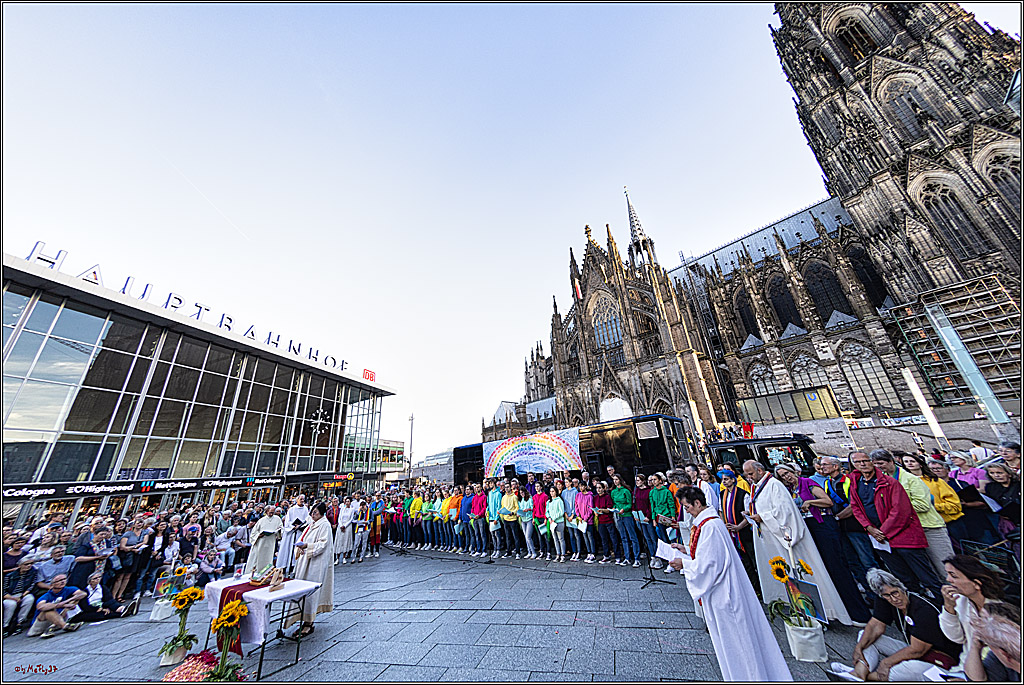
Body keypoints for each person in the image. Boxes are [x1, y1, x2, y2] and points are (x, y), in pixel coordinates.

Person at [668, 486, 792, 682]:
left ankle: (751, 677)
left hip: (724, 592)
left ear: (698, 503)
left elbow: (710, 564)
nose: (687, 511)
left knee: (739, 641)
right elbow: (706, 554)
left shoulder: (710, 526)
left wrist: (684, 563)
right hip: (721, 589)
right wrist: (686, 551)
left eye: (688, 507)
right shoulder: (707, 523)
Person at [742, 459, 855, 625]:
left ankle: (820, 612)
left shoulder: (774, 485)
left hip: (787, 537)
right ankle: (797, 606)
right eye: (746, 475)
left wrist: (762, 516)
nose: (749, 477)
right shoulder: (759, 487)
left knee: (803, 573)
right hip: (774, 538)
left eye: (751, 473)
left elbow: (785, 511)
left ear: (760, 470)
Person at [830, 568, 962, 682]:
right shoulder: (885, 600)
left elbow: (918, 649)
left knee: (907, 669)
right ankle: (857, 674)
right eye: (887, 596)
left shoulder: (923, 609)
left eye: (895, 593)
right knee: (864, 636)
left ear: (902, 588)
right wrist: (859, 648)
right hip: (917, 651)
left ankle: (862, 675)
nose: (894, 599)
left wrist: (886, 662)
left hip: (943, 660)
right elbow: (875, 626)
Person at [846, 452, 942, 597]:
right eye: (858, 462)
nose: (862, 464)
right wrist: (869, 528)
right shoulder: (855, 482)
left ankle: (944, 607)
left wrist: (882, 532)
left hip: (901, 536)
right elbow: (856, 507)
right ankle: (919, 608)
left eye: (866, 461)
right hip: (880, 539)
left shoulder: (889, 482)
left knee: (927, 577)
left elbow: (900, 510)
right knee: (903, 579)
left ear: (872, 462)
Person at [871, 449, 955, 581]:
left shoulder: (910, 479)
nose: (878, 467)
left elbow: (923, 505)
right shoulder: (883, 481)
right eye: (875, 464)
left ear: (891, 461)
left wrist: (897, 508)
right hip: (909, 531)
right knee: (930, 572)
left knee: (946, 569)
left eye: (881, 463)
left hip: (929, 527)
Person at [939, 554, 1006, 673]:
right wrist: (949, 607)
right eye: (948, 574)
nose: (948, 580)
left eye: (954, 576)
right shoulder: (961, 600)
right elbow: (956, 638)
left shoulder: (998, 612)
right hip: (964, 666)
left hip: (985, 671)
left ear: (976, 583)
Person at [901, 452, 965, 549]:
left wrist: (933, 506)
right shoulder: (903, 484)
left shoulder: (936, 481)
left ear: (920, 464)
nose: (909, 464)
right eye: (906, 462)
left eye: (912, 461)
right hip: (928, 527)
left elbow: (955, 505)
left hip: (950, 522)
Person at [930, 459, 1000, 546]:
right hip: (953, 523)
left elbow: (981, 503)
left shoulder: (960, 484)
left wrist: (965, 504)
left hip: (973, 520)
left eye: (938, 468)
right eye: (932, 469)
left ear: (947, 469)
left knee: (987, 544)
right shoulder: (928, 487)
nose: (935, 471)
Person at [291, 502, 334, 638]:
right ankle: (303, 619)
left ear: (321, 513)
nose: (312, 515)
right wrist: (300, 546)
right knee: (303, 591)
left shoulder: (325, 525)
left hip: (316, 563)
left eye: (315, 512)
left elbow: (322, 544)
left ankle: (309, 622)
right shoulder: (311, 524)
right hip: (305, 560)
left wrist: (307, 546)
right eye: (312, 512)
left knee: (311, 592)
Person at [964, 602, 1020, 682]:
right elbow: (977, 679)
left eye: (989, 645)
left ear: (1004, 655)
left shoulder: (1003, 653)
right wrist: (975, 646)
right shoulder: (1000, 657)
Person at [27, 574, 84, 638]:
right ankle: (65, 626)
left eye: (64, 579)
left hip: (58, 619)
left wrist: (68, 601)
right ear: (51, 585)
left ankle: (55, 626)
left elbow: (82, 594)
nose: (62, 582)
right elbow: (40, 607)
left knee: (75, 600)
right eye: (58, 581)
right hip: (40, 625)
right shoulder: (46, 596)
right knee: (48, 610)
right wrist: (61, 605)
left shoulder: (68, 589)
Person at [68, 571, 136, 623]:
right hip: (91, 608)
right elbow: (85, 606)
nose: (97, 579)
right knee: (99, 615)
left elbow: (109, 599)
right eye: (95, 578)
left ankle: (123, 609)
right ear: (90, 581)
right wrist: (100, 609)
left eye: (99, 577)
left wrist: (104, 607)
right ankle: (121, 613)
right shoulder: (85, 591)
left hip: (101, 604)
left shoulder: (102, 588)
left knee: (111, 602)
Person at [982, 462, 1020, 537]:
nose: (996, 475)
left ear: (1009, 474)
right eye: (992, 473)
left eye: (999, 473)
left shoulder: (1018, 484)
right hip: (1006, 521)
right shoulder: (990, 487)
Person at [610, 474, 640, 567]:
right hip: (618, 515)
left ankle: (636, 558)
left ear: (620, 480)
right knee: (623, 537)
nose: (615, 481)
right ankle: (627, 557)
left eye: (616, 479)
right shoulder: (613, 492)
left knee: (632, 536)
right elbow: (614, 503)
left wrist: (624, 509)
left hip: (626, 515)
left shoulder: (625, 491)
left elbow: (630, 504)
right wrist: (614, 508)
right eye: (614, 479)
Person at [4, 558, 38, 635]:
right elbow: (4, 591)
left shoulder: (33, 573)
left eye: (30, 564)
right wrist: (13, 598)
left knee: (29, 599)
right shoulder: (10, 576)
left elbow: (31, 586)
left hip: (23, 594)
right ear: (19, 565)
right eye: (26, 564)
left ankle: (19, 623)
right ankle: (5, 626)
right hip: (10, 596)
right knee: (10, 604)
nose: (29, 566)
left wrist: (22, 596)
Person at [278, 496, 310, 573]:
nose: (302, 501)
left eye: (303, 499)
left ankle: (294, 566)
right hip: (291, 533)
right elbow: (287, 521)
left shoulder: (305, 509)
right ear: (297, 500)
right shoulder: (292, 509)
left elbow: (307, 520)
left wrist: (301, 526)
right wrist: (293, 526)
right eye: (300, 499)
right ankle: (284, 566)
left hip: (300, 532)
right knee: (288, 550)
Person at [545, 485, 567, 563]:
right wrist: (549, 518)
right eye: (550, 491)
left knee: (561, 539)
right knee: (555, 539)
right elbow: (546, 511)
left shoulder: (559, 500)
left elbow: (561, 512)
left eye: (553, 491)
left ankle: (563, 555)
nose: (551, 493)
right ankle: (558, 554)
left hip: (559, 521)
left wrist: (555, 518)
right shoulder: (549, 501)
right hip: (552, 523)